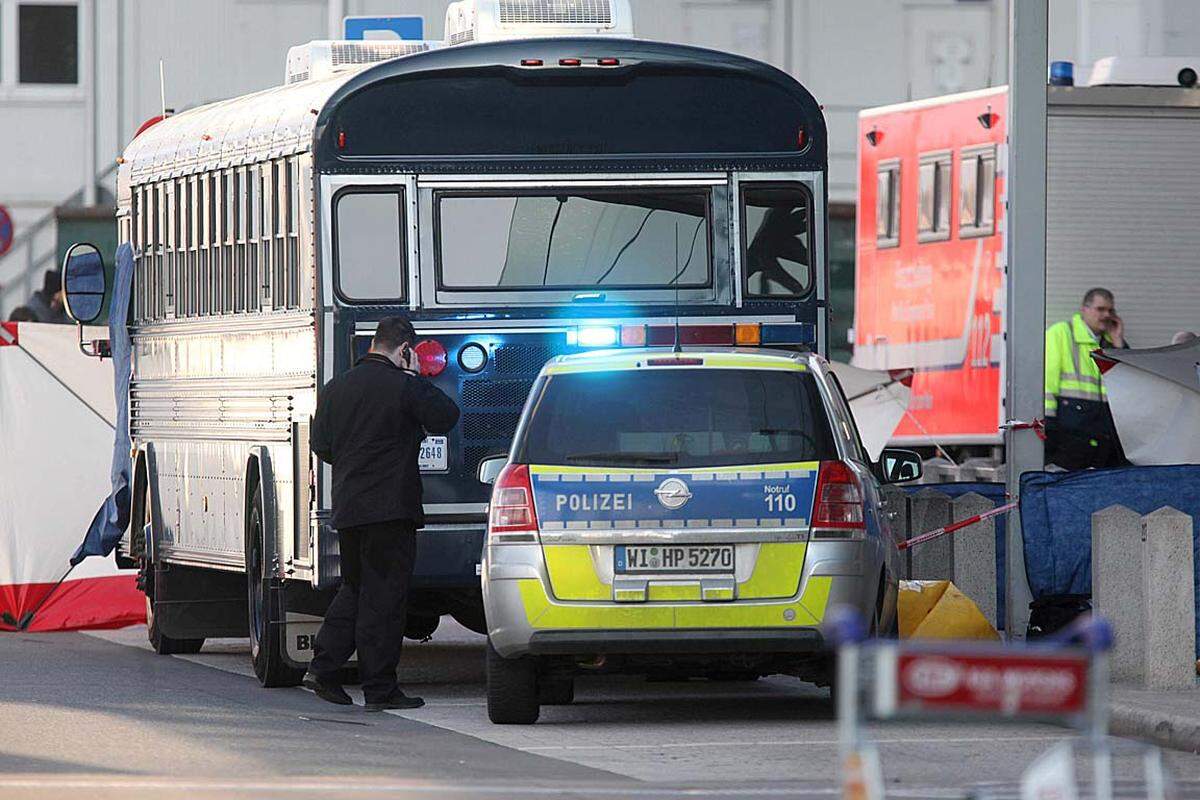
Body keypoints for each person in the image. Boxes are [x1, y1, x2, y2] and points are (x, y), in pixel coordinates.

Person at [305, 315, 460, 711]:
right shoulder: (404, 387)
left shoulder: (336, 389)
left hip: (351, 508)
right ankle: (379, 688)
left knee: (356, 588)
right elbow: (447, 416)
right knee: (386, 599)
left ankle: (323, 668)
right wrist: (415, 377)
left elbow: (321, 445)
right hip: (391, 510)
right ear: (405, 349)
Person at [1044, 287, 1128, 470]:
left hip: (1102, 437)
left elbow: (1128, 382)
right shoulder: (1061, 333)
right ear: (1084, 309)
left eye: (1110, 310)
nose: (1106, 315)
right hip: (1068, 435)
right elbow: (1046, 383)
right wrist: (1047, 427)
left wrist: (1119, 342)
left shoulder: (1111, 343)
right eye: (1100, 309)